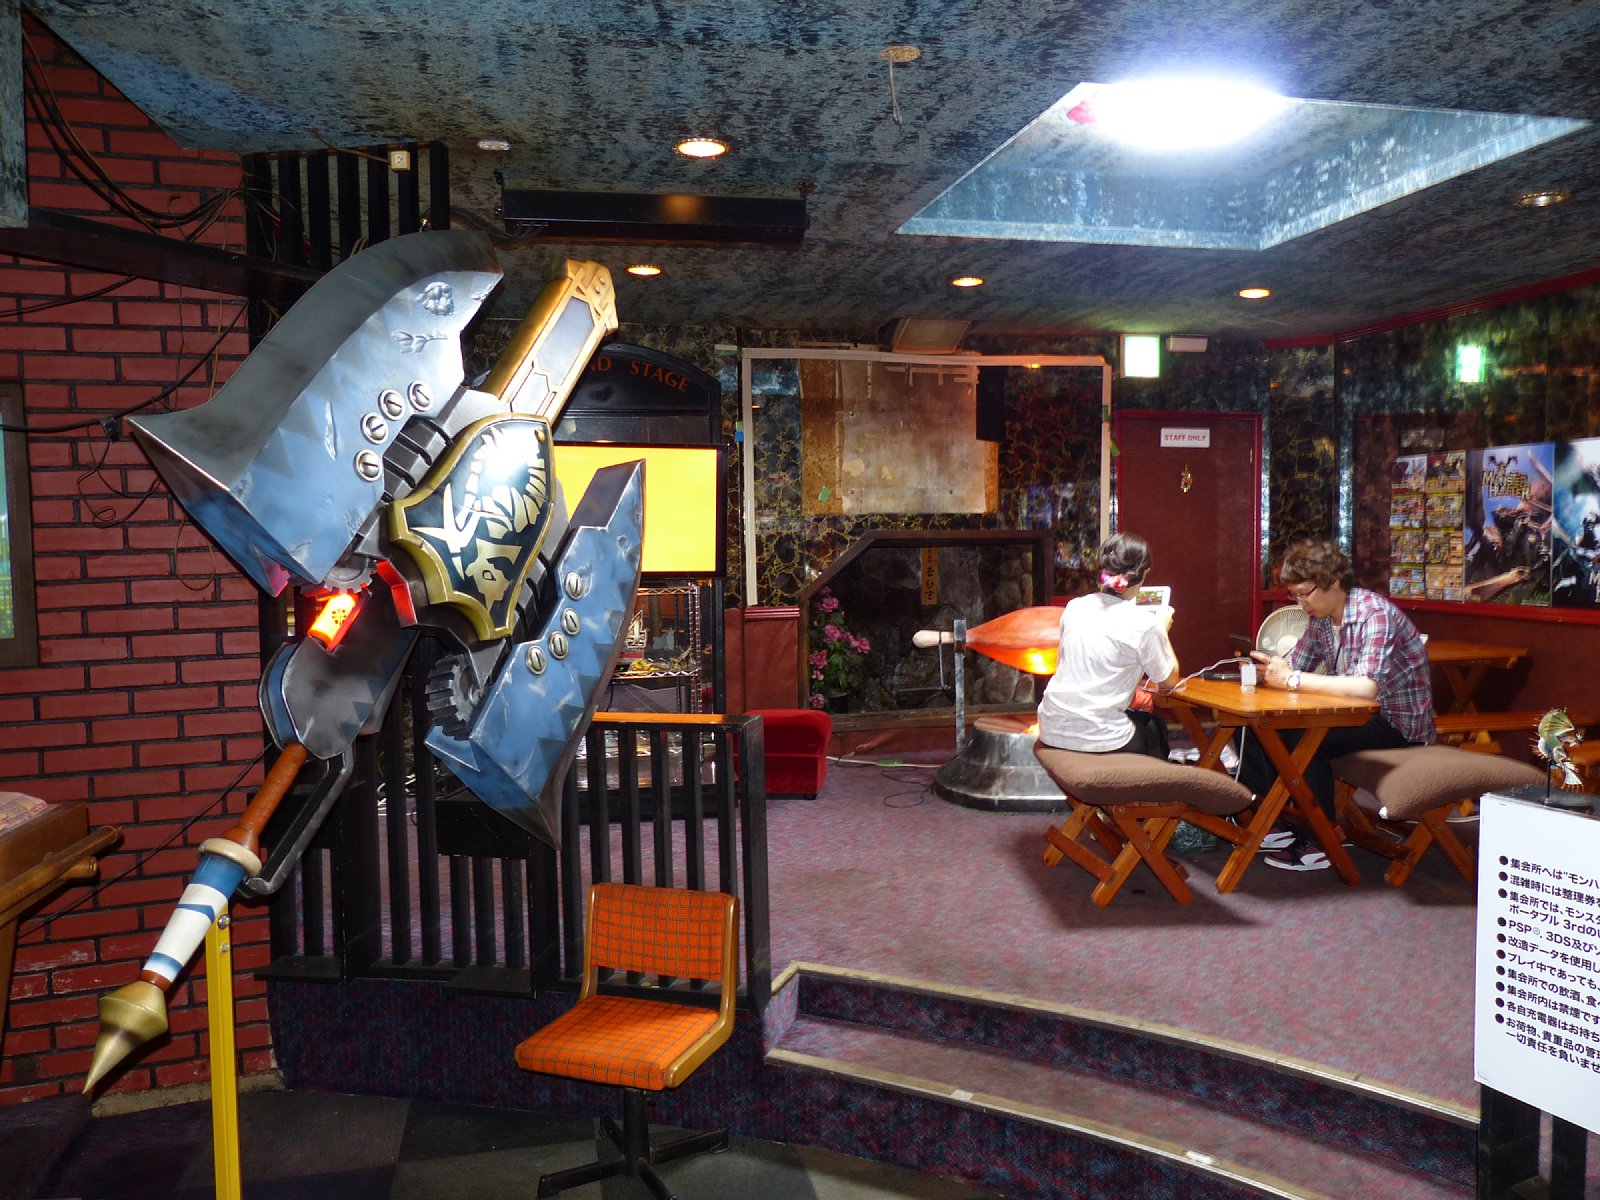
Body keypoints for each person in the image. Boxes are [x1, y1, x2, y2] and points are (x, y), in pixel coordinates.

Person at [1243, 538, 1436, 871]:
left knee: (1303, 737)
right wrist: (1277, 670)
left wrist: (1292, 679)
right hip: (1353, 717)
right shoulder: (1321, 619)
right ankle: (1276, 820)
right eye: (1294, 595)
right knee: (1250, 725)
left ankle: (1319, 840)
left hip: (1395, 724)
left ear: (1333, 582)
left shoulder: (1374, 615)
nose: (1300, 603)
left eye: (1305, 593)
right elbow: (1297, 665)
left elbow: (1365, 688)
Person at [1036, 532, 1179, 759]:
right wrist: (1162, 629)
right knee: (1154, 729)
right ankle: (1144, 781)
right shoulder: (1145, 624)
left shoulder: (1075, 608)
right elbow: (1169, 682)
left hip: (1051, 727)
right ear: (1144, 573)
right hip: (1100, 736)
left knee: (1137, 720)